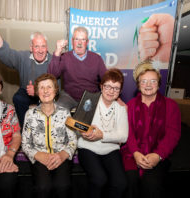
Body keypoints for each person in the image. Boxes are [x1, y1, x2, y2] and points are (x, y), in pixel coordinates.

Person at [0, 3, 52, 128]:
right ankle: (24, 130)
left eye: (43, 46)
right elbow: (5, 52)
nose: (40, 50)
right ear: (31, 47)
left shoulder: (54, 61)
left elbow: (57, 88)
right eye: (36, 46)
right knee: (18, 98)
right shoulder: (23, 57)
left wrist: (38, 91)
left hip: (47, 94)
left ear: (47, 47)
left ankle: (44, 132)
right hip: (26, 92)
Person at [120, 61, 181, 198]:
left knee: (151, 185)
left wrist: (158, 155)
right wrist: (135, 153)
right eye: (144, 81)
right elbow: (128, 133)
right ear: (138, 85)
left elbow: (173, 134)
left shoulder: (171, 106)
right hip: (132, 153)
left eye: (153, 81)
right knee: (129, 181)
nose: (148, 85)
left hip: (158, 154)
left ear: (159, 84)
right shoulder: (130, 105)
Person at [21, 73, 77, 198]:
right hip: (39, 156)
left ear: (55, 90)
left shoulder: (65, 113)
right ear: (36, 91)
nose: (45, 91)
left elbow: (72, 140)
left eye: (49, 87)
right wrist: (38, 155)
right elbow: (25, 143)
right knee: (43, 187)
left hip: (60, 156)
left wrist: (62, 155)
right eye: (41, 87)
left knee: (62, 187)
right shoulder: (30, 114)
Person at [77, 68, 128, 198]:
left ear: (120, 91)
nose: (111, 91)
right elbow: (78, 125)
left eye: (116, 88)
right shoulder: (89, 101)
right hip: (88, 147)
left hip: (110, 149)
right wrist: (83, 131)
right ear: (101, 86)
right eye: (108, 86)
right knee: (99, 179)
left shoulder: (120, 109)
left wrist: (102, 135)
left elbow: (123, 136)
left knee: (120, 183)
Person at [48, 26, 107, 110]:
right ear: (72, 41)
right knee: (58, 111)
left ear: (87, 42)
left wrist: (116, 98)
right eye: (76, 39)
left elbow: (106, 80)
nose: (79, 43)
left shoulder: (97, 59)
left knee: (86, 118)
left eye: (83, 40)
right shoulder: (65, 57)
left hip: (90, 97)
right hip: (69, 97)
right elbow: (51, 75)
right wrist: (57, 51)